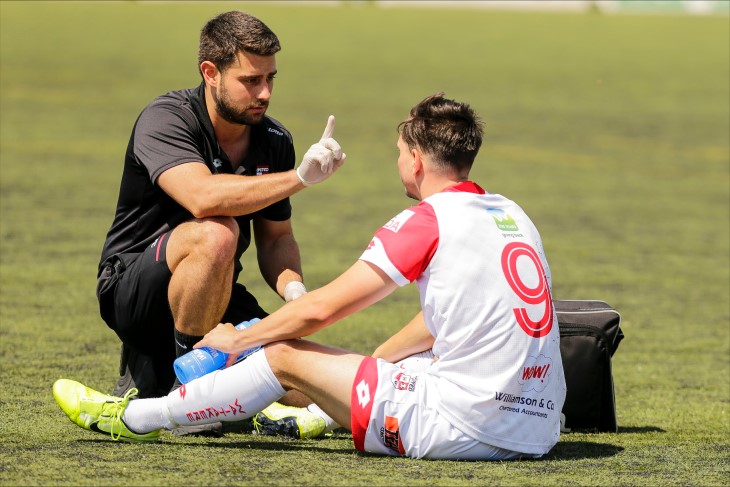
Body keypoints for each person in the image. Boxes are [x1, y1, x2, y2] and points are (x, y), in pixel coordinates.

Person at [54, 93, 566, 460]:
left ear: (414, 159)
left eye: (397, 154)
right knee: (418, 359)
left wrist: (239, 339)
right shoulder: (513, 215)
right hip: (538, 428)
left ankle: (136, 418)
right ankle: (316, 414)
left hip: (464, 429)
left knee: (281, 355)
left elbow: (322, 310)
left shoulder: (426, 220)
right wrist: (361, 366)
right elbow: (439, 325)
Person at [95, 8, 345, 421]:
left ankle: (162, 373)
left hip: (215, 290)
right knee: (217, 232)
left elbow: (276, 239)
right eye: (250, 80)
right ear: (210, 72)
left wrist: (295, 295)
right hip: (133, 290)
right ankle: (189, 395)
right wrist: (299, 178)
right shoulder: (165, 118)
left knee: (303, 376)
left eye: (270, 79)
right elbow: (203, 198)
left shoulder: (274, 139)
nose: (264, 93)